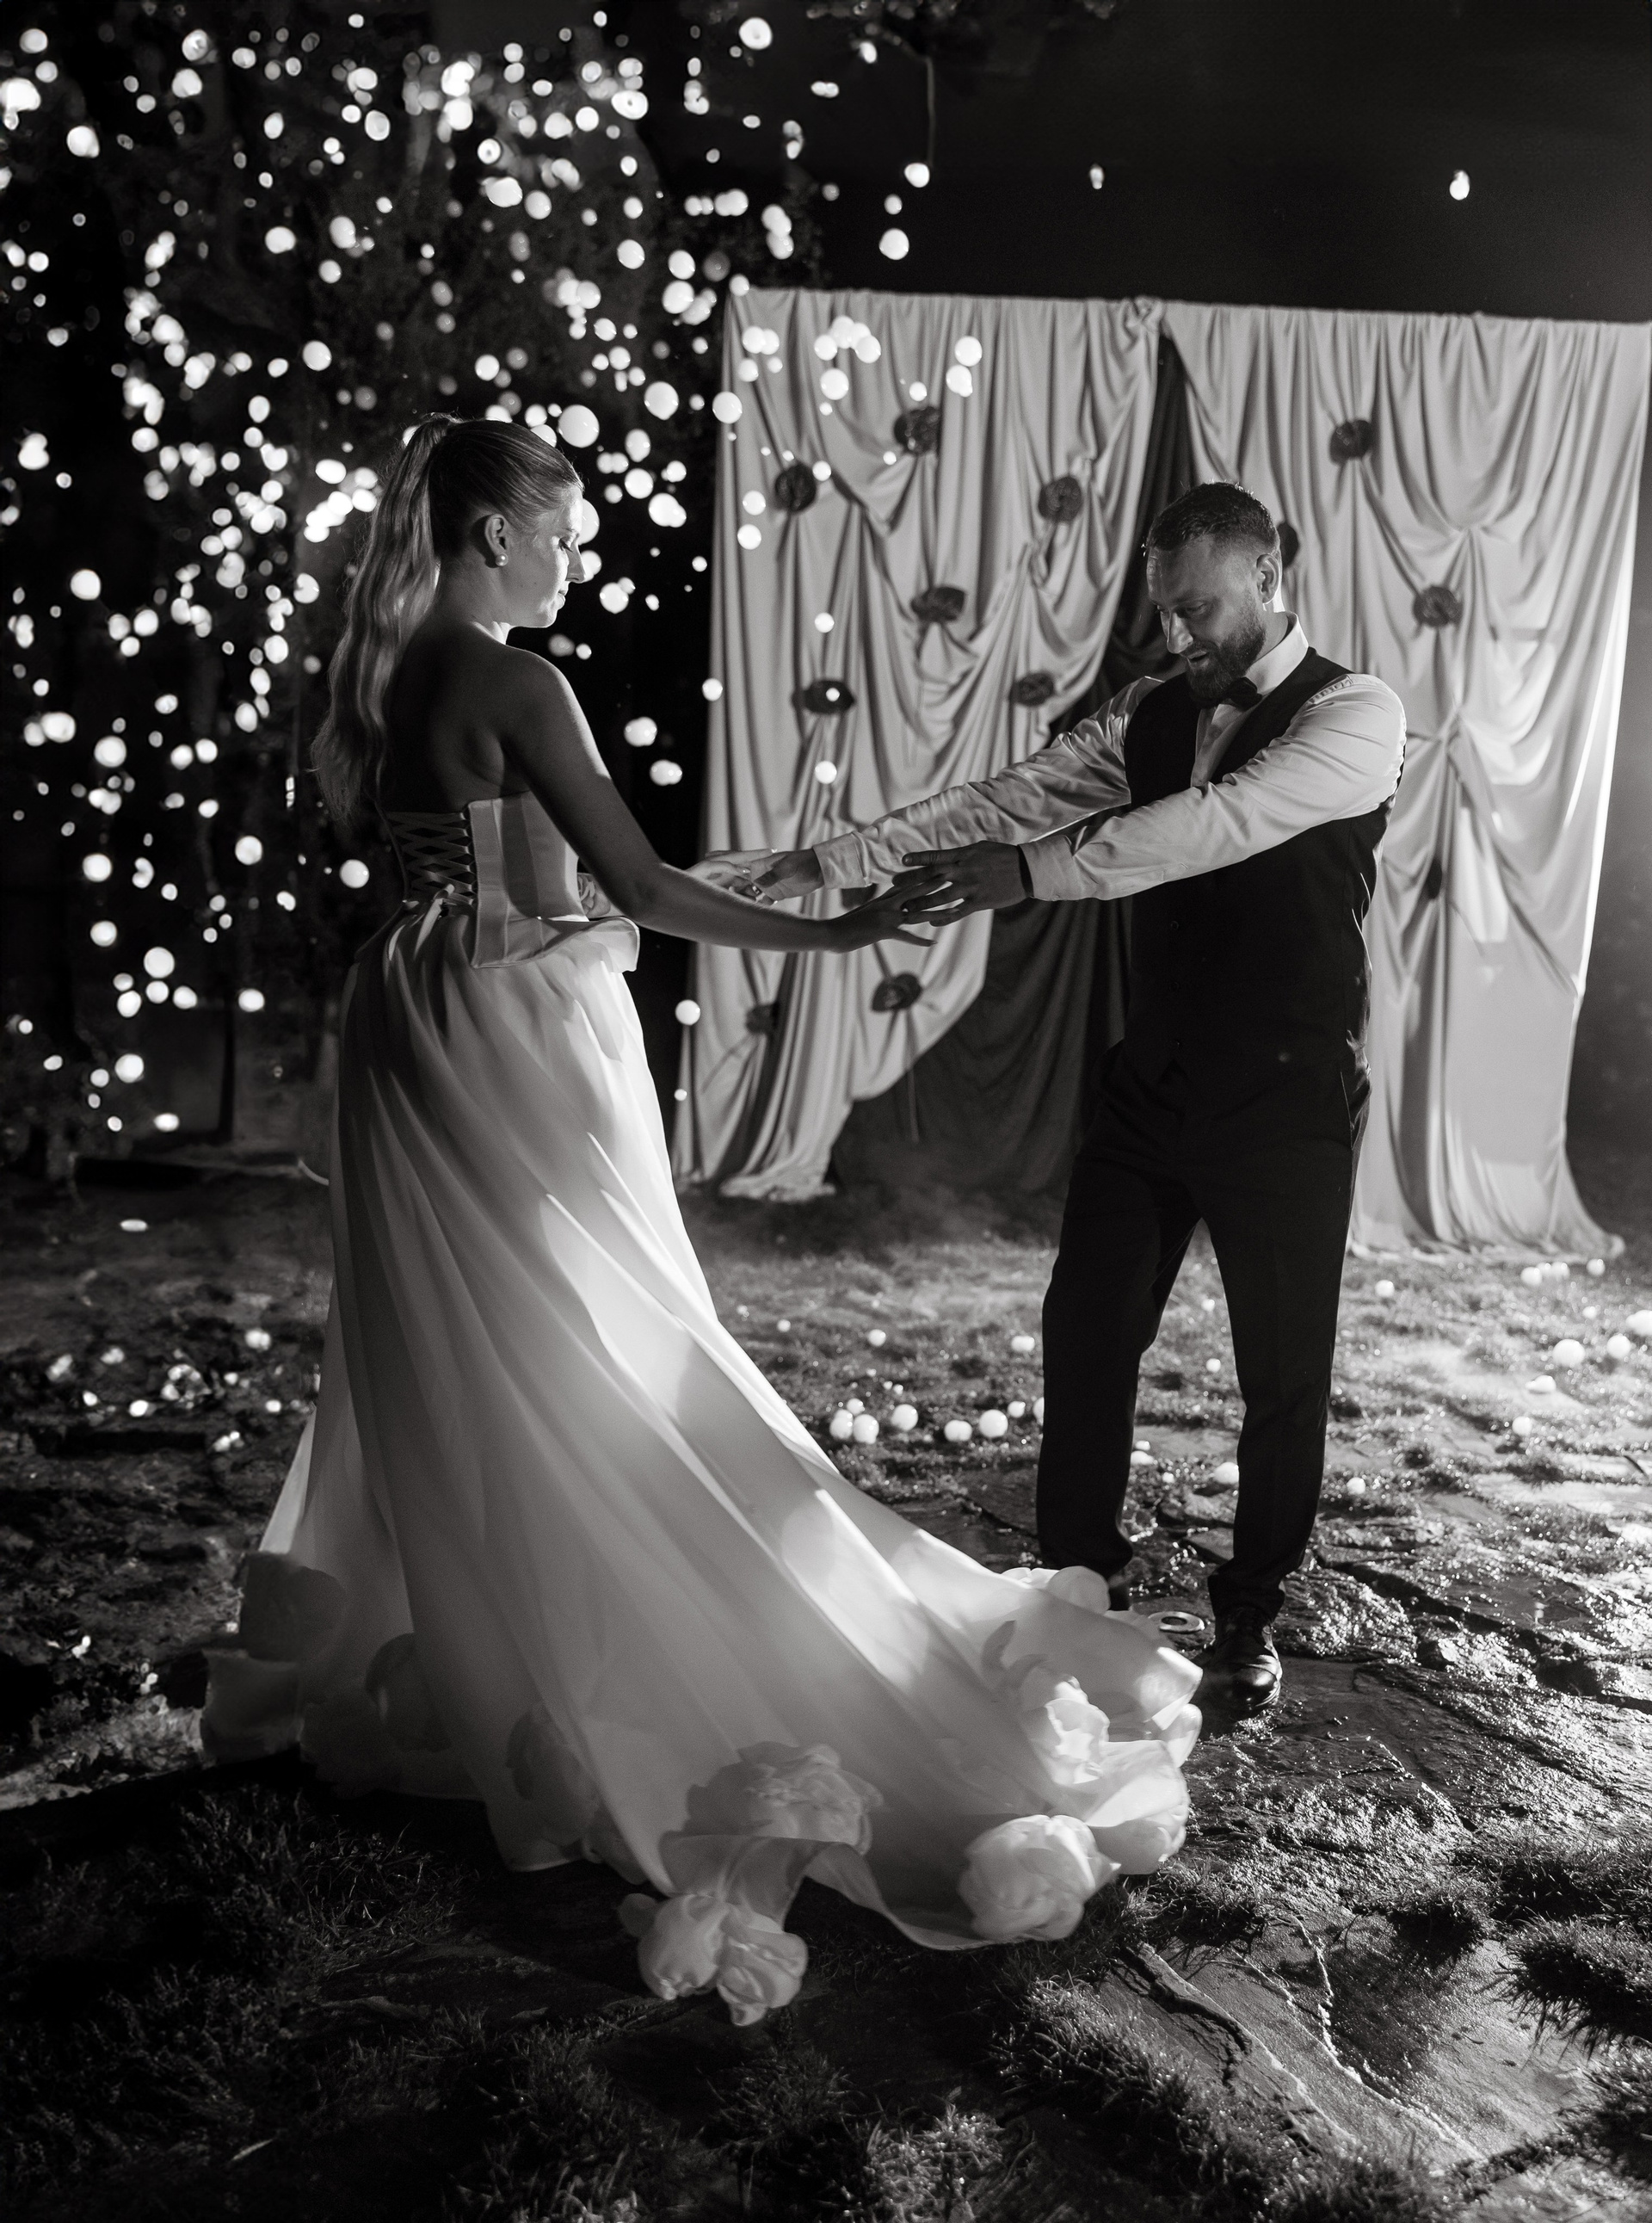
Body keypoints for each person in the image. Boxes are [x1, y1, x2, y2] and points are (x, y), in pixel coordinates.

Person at [201, 415, 1199, 2028]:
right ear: (492, 536)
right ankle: (627, 1603)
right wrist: (844, 931)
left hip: (414, 1011)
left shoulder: (385, 671)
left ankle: (490, 1635)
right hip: (518, 1024)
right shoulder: (518, 682)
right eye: (561, 535)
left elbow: (526, 871)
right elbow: (644, 892)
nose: (572, 561)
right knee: (592, 1321)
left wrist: (737, 873)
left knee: (462, 1331)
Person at [704, 483, 1405, 1719]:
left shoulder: (1357, 714)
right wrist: (831, 860)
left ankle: (1249, 1612)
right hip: (1153, 1079)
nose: (1179, 633)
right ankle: (1083, 1577)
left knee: (1281, 1373)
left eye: (1199, 607)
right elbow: (1005, 798)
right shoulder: (1150, 710)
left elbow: (1211, 826)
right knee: (1084, 1336)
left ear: (1268, 573)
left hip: (1286, 1095)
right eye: (1166, 609)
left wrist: (1027, 877)